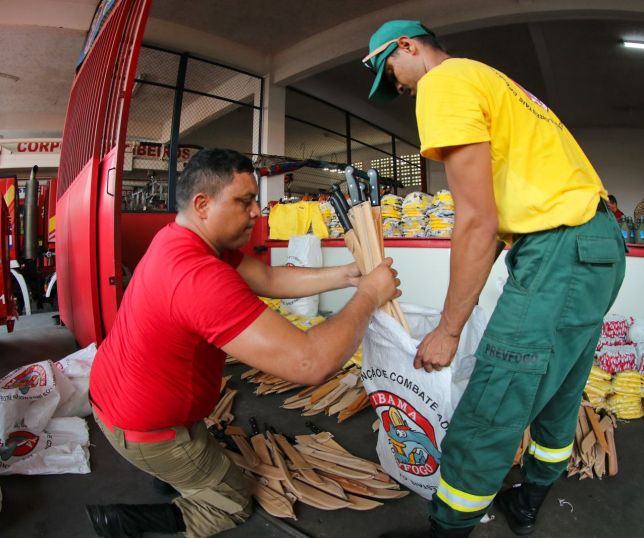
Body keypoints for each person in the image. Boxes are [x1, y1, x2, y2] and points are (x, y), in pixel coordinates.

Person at [363, 20, 625, 538]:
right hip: (596, 244)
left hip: (559, 250)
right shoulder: (496, 83)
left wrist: (449, 330)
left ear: (408, 46)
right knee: (560, 391)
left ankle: (447, 528)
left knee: (493, 399)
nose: (399, 87)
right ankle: (527, 503)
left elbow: (476, 221)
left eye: (391, 73)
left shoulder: (443, 81)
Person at [86, 148, 400, 538]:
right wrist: (369, 296)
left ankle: (172, 475)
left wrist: (349, 275)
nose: (256, 212)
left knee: (193, 460)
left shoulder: (179, 239)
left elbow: (268, 280)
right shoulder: (198, 276)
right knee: (234, 503)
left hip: (116, 398)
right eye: (244, 201)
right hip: (146, 430)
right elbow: (311, 362)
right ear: (203, 205)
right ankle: (127, 520)